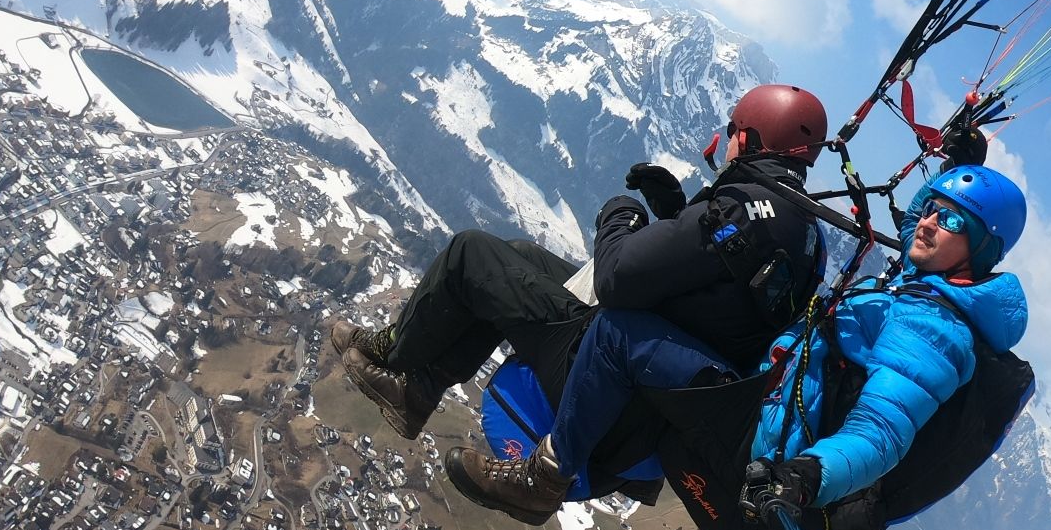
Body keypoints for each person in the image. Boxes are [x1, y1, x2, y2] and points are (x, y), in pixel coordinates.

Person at [444, 134, 1029, 530]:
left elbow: (882, 430)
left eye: (952, 220)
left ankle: (545, 478)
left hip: (765, 449)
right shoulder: (913, 287)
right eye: (929, 208)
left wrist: (806, 477)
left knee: (622, 332)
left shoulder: (935, 327)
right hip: (764, 401)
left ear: (980, 248)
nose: (928, 222)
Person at [333, 83, 829, 442]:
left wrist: (621, 214)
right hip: (663, 374)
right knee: (522, 257)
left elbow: (615, 278)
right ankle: (419, 389)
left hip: (606, 363)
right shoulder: (803, 230)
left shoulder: (741, 207)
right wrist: (676, 216)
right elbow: (716, 288)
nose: (728, 142)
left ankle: (392, 355)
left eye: (734, 131)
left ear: (753, 139)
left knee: (472, 254)